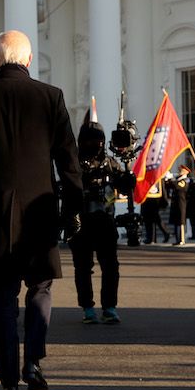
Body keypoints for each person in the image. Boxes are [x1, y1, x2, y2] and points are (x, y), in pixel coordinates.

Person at [0, 30, 82, 390]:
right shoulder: (50, 97)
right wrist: (73, 209)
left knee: (1, 298)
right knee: (40, 289)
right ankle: (34, 363)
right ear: (28, 60)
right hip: (40, 210)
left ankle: (8, 380)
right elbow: (68, 161)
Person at [72, 114, 123, 325]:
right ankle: (88, 307)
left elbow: (125, 185)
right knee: (83, 268)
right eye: (92, 140)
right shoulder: (74, 162)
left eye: (100, 140)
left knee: (110, 266)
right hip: (81, 221)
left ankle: (109, 307)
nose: (97, 144)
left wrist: (128, 181)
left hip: (105, 220)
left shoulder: (110, 163)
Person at [171, 163, 195, 242]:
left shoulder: (193, 181)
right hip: (189, 203)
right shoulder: (191, 181)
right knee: (191, 220)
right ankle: (194, 235)